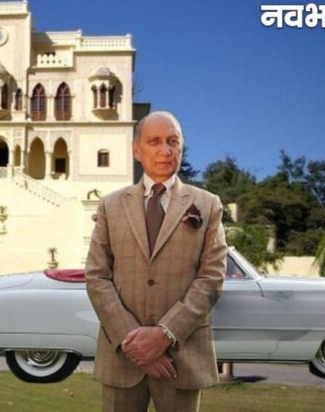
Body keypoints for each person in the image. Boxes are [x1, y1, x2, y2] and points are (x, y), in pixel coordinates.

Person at [85, 111, 227, 412]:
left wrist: (165, 335)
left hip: (182, 358)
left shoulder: (207, 205)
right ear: (136, 150)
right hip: (122, 358)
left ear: (182, 147)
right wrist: (134, 343)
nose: (165, 150)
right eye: (155, 141)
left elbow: (211, 280)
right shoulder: (110, 205)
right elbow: (97, 277)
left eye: (173, 141)